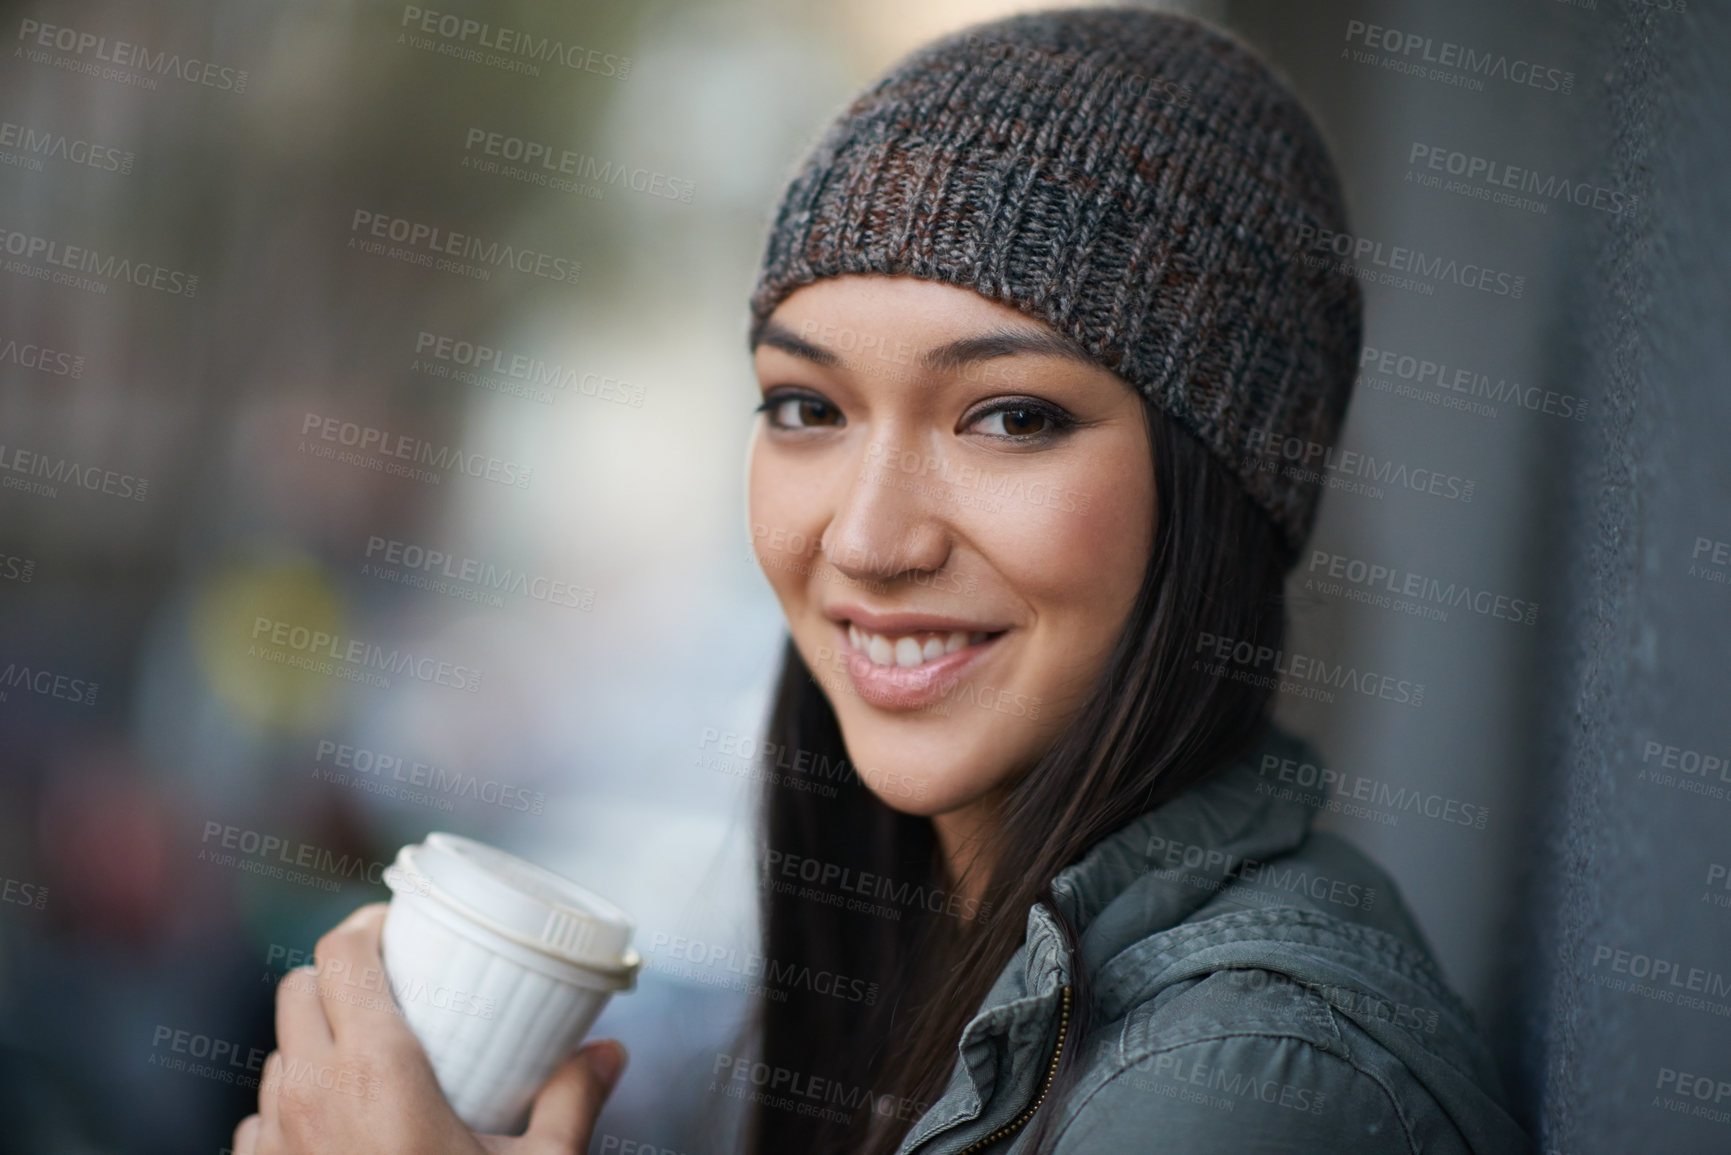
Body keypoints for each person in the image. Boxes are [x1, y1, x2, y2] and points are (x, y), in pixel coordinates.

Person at [233, 9, 1531, 1154]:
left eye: (1011, 417)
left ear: (1229, 486)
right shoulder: (929, 977)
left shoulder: (1243, 1091)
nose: (867, 537)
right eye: (807, 405)